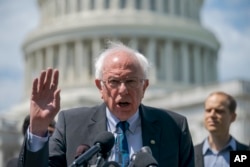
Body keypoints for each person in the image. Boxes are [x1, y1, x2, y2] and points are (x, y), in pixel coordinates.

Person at [18, 41, 194, 167]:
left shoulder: (174, 128)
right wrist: (38, 129)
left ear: (144, 86)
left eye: (131, 81)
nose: (123, 90)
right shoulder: (71, 124)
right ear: (100, 87)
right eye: (114, 81)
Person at [194, 91, 249, 167]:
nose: (212, 115)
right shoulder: (190, 155)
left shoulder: (244, 154)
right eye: (208, 110)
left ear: (233, 117)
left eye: (219, 111)